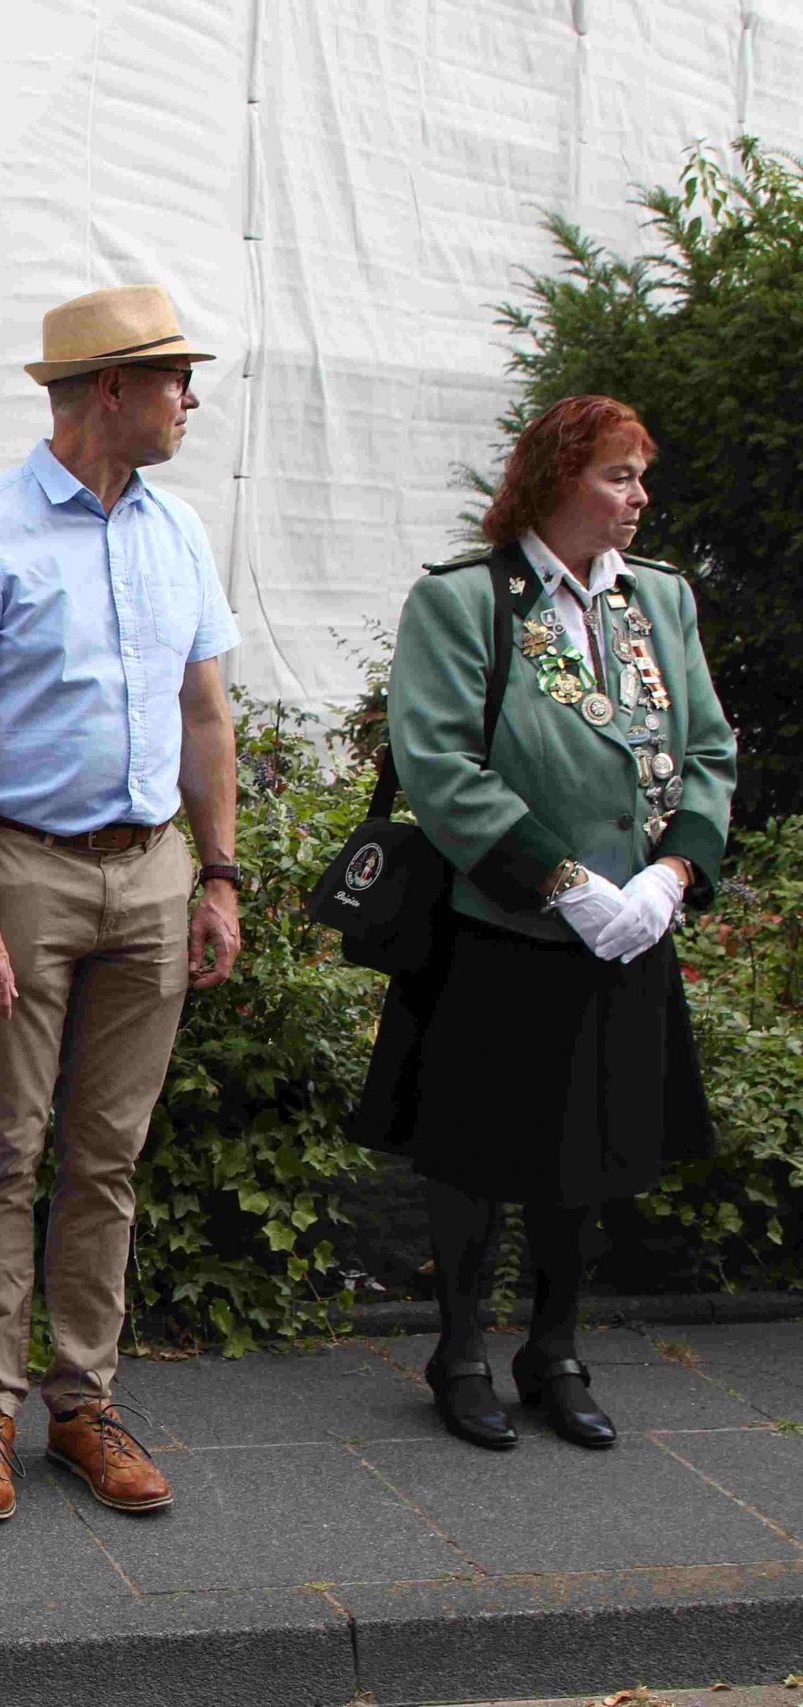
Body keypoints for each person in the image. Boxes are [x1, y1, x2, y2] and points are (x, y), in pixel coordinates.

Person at [0, 284, 243, 1523]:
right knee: (4, 1149)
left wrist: (219, 875)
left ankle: (83, 1404)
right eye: (173, 379)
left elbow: (204, 713)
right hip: (24, 868)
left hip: (152, 871)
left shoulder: (178, 530)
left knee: (108, 1156)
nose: (188, 400)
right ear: (110, 387)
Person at [355, 394, 733, 1451]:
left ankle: (554, 1351)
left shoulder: (658, 599)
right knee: (474, 1153)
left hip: (629, 929)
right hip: (502, 922)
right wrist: (564, 882)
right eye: (619, 475)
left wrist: (668, 877)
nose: (639, 497)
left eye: (639, 476)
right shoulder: (465, 600)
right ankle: (460, 1352)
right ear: (557, 479)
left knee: (591, 1153)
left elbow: (708, 749)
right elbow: (439, 762)